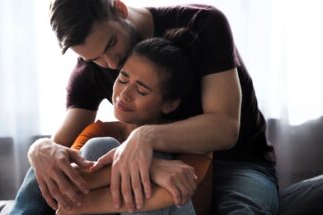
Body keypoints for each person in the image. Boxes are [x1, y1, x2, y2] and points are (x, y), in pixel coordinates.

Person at [11, 0, 279, 214]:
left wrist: (144, 136)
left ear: (119, 8)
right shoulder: (92, 67)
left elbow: (224, 128)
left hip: (238, 163)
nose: (111, 64)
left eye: (110, 44)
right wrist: (39, 149)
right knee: (52, 164)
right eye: (93, 58)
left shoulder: (202, 23)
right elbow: (62, 145)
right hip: (160, 163)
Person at [55, 28, 212, 214]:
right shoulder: (101, 132)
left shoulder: (191, 141)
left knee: (158, 161)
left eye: (141, 90)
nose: (124, 95)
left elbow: (174, 192)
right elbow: (67, 183)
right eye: (122, 79)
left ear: (169, 105)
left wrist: (83, 205)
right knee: (101, 146)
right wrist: (152, 169)